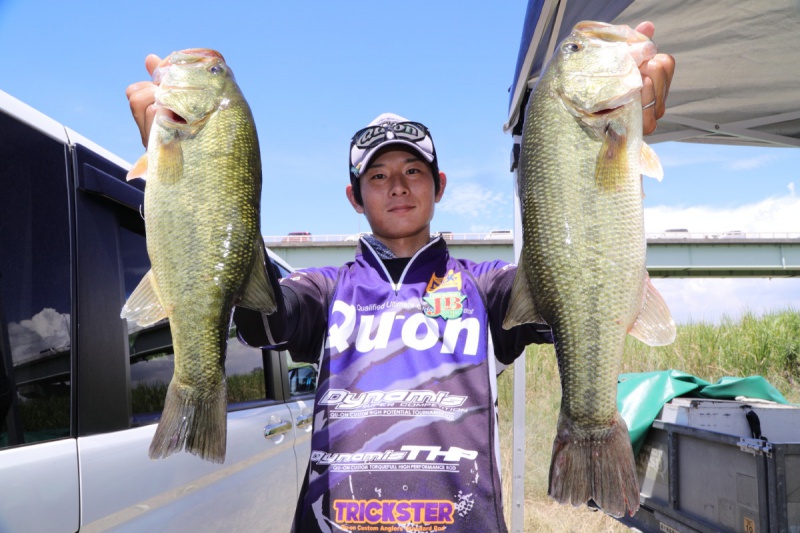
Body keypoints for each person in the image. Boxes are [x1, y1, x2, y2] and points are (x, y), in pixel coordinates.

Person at [126, 22, 675, 533]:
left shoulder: (487, 287)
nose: (397, 186)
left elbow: (573, 283)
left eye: (413, 171)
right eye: (379, 175)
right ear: (355, 198)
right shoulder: (324, 292)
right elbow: (258, 312)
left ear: (439, 186)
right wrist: (198, 179)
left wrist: (608, 150)